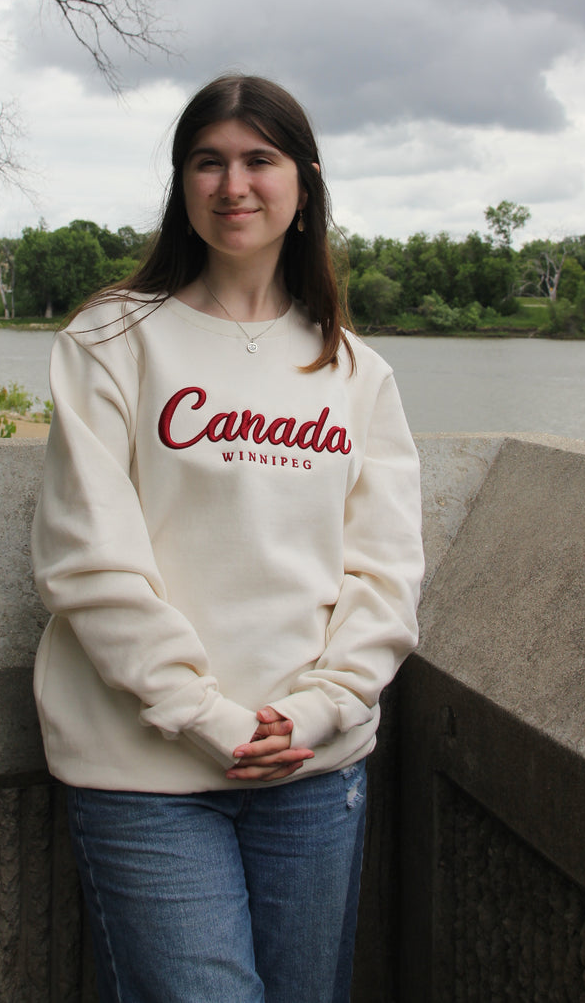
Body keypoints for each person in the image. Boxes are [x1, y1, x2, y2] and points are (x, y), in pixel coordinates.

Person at [31, 74, 424, 1003]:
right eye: (207, 161)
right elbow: (87, 558)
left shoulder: (355, 371)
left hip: (312, 768)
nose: (233, 184)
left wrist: (323, 707)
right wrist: (207, 715)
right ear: (181, 183)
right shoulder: (112, 339)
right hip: (144, 763)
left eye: (259, 160)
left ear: (304, 185)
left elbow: (385, 569)